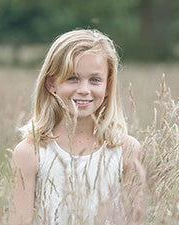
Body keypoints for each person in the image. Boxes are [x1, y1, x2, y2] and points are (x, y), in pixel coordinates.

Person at [9, 29, 142, 225]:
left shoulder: (126, 150)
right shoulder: (31, 152)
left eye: (95, 80)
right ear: (51, 83)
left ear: (107, 86)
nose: (84, 90)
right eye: (72, 78)